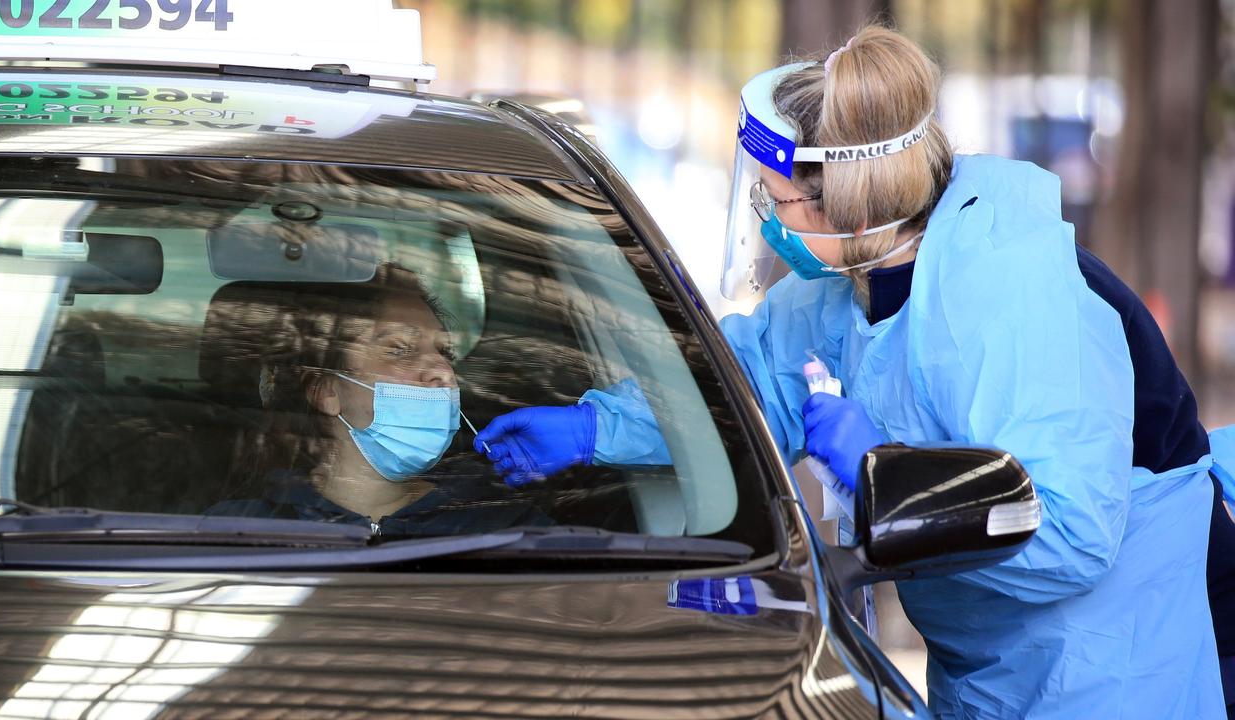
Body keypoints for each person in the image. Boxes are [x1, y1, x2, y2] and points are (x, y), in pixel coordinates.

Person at [473, 25, 1233, 719]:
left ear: (848, 204)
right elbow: (737, 387)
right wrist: (597, 425)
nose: (769, 226)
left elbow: (1071, 537)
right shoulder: (836, 292)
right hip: (988, 654)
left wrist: (893, 474)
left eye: (779, 204)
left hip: (1124, 652)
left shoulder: (1020, 297)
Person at [208, 264, 551, 535]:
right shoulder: (239, 532)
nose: (444, 373)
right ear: (326, 391)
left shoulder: (504, 526)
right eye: (400, 349)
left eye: (445, 352)